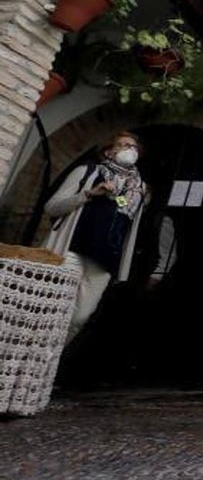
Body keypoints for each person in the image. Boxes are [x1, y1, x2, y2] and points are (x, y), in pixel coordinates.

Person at [44, 131, 150, 343]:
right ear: (109, 152)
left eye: (133, 146)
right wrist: (89, 193)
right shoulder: (88, 172)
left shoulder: (140, 189)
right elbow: (52, 208)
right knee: (54, 309)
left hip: (105, 260)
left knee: (80, 317)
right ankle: (34, 357)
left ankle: (50, 357)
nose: (129, 149)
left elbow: (127, 223)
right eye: (122, 145)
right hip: (73, 249)